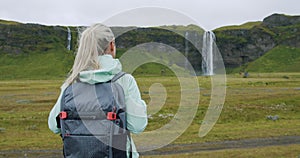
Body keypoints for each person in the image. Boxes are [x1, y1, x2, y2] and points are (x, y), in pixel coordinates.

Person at [48, 23, 148, 158]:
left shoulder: (72, 83)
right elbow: (137, 125)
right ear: (111, 45)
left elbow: (54, 125)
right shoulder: (124, 81)